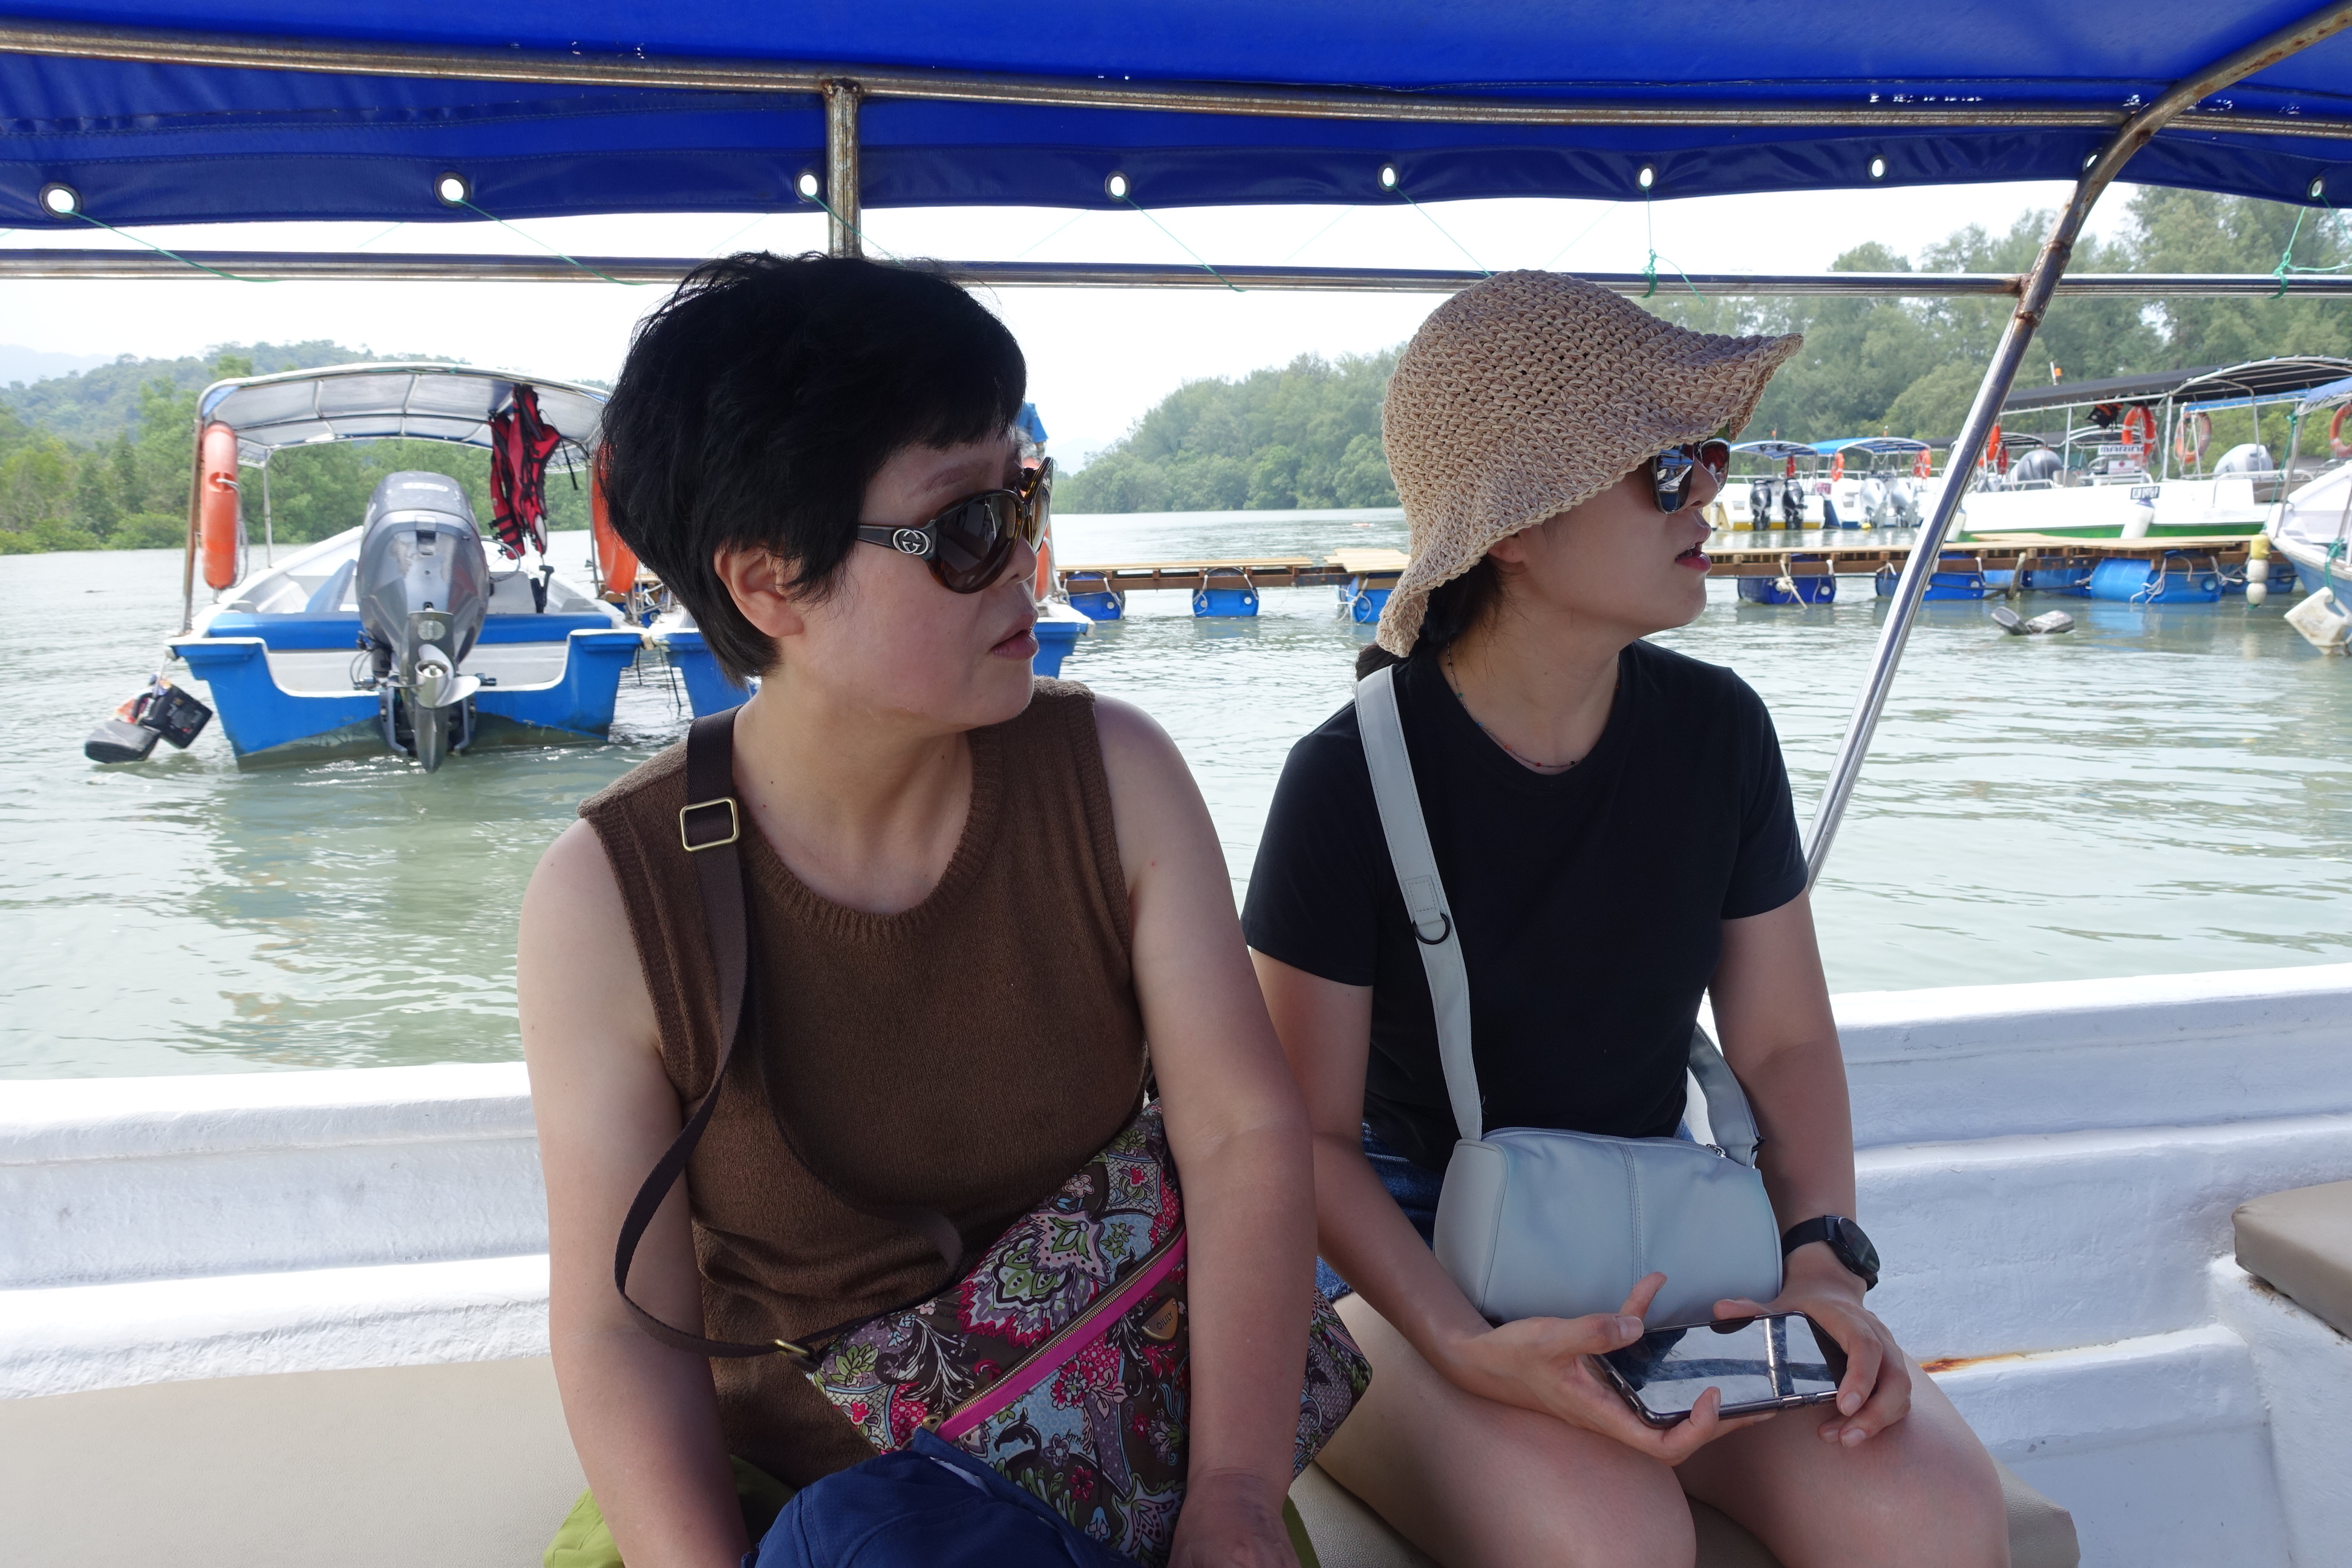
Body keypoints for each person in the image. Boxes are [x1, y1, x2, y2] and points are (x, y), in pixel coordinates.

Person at [518, 253, 1317, 1568]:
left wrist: (1233, 1492)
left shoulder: (1115, 780)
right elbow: (620, 1324)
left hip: (1128, 1451)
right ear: (769, 582)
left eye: (1026, 497)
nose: (1027, 560)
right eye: (965, 526)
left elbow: (1242, 1136)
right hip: (790, 1492)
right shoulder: (613, 897)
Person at [1242, 271, 2010, 1567]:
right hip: (1406, 1270)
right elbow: (1304, 1143)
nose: (1707, 491)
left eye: (1708, 456)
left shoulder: (1720, 734)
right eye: (1662, 468)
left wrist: (1821, 1265)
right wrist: (1464, 1345)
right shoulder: (1348, 779)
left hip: (1655, 1229)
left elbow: (1782, 1048)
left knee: (1928, 1522)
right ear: (1513, 529)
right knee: (1610, 1543)